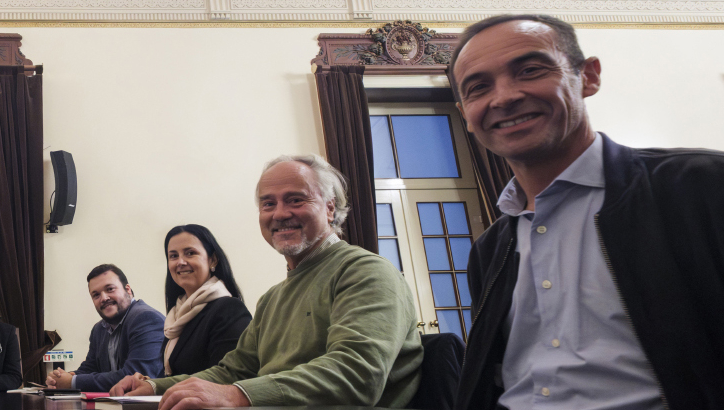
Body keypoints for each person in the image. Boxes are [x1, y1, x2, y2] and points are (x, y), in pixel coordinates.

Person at [449, 14, 724, 410]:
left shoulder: (701, 188)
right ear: (466, 115)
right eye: (479, 87)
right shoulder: (490, 250)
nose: (504, 97)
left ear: (589, 77)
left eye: (530, 70)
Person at [111, 155, 422, 409]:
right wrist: (154, 387)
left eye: (295, 200)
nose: (280, 214)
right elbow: (233, 370)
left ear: (330, 208)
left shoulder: (365, 272)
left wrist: (238, 395)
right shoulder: (272, 298)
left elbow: (357, 375)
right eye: (268, 204)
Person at [46, 264, 166, 392]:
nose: (104, 298)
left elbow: (135, 378)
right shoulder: (99, 329)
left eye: (110, 289)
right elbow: (90, 368)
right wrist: (61, 378)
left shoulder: (146, 318)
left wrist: (72, 382)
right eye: (96, 295)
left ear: (128, 290)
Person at [158, 224, 252, 377]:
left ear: (213, 260)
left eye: (190, 253)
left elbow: (225, 376)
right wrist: (146, 382)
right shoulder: (176, 316)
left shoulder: (230, 310)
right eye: (173, 256)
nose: (180, 262)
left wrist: (155, 386)